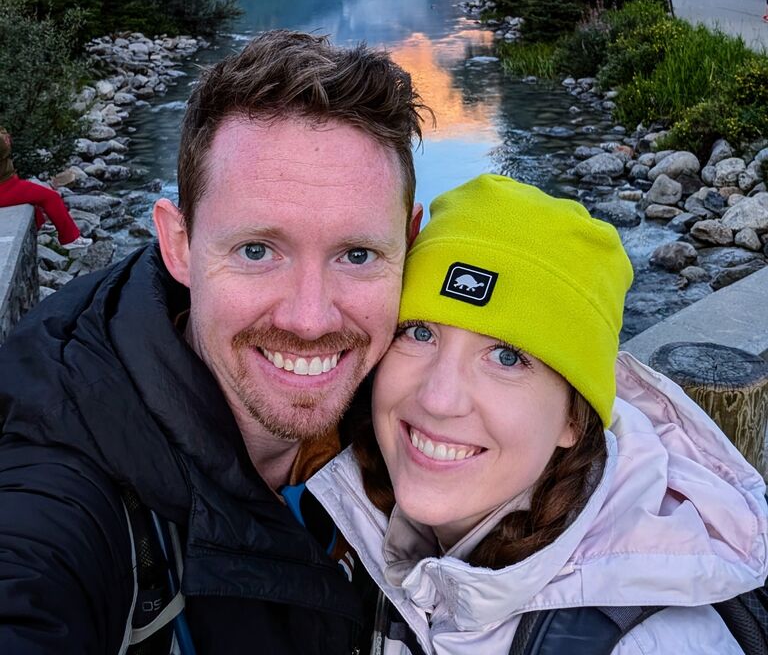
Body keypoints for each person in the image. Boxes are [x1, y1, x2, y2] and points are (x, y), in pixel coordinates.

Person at [0, 30, 426, 655]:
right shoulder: (61, 503)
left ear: (409, 246)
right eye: (256, 250)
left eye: (357, 254)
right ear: (178, 245)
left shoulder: (424, 417)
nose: (310, 319)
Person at [309, 175, 768, 655]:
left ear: (575, 417)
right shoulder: (361, 514)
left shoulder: (652, 642)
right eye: (419, 332)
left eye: (507, 357)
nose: (438, 399)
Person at [0, 126, 89, 248]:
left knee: (35, 199)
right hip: (5, 188)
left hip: (8, 184)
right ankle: (70, 238)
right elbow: (5, 143)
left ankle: (39, 224)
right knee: (51, 197)